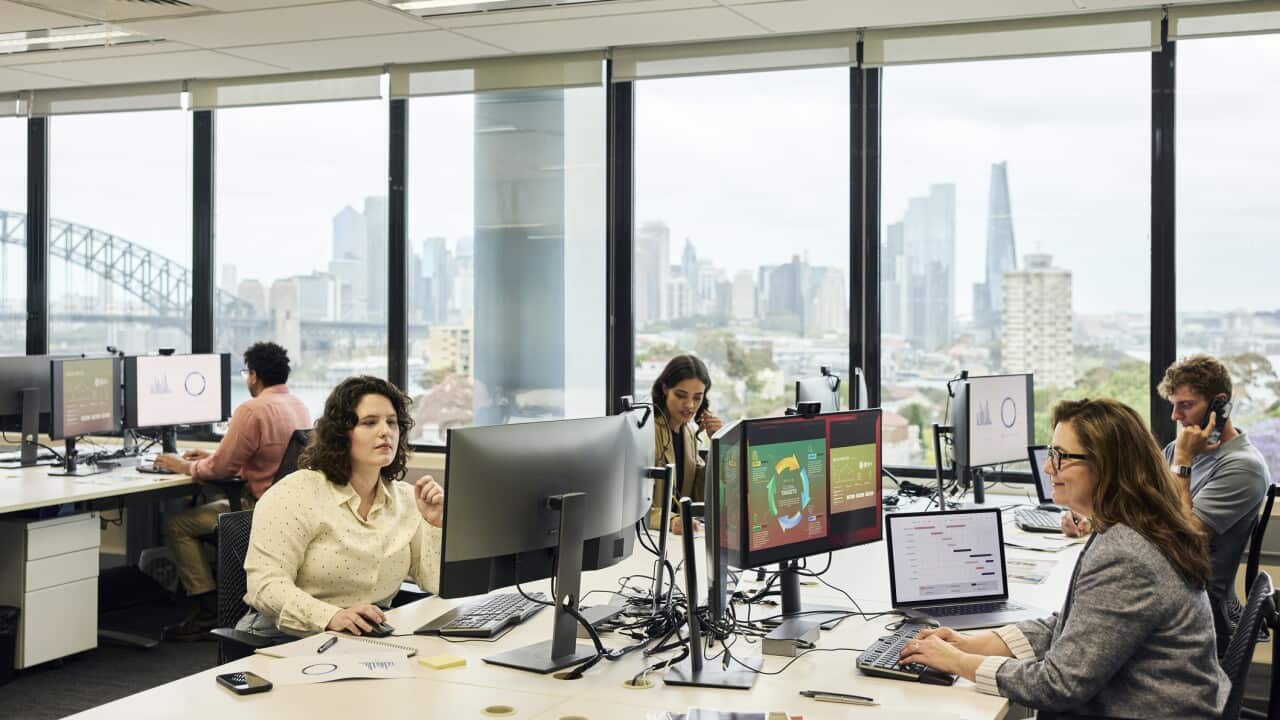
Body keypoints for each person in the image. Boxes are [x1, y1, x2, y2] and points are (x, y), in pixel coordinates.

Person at [900, 398, 1228, 718]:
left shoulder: (1127, 555)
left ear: (1104, 465)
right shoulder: (1131, 524)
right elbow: (1073, 625)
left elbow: (1058, 685)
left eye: (1059, 456)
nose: (1047, 467)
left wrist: (957, 663)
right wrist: (968, 644)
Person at [1062, 355, 1270, 646]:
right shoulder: (1178, 448)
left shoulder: (1242, 467)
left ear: (1219, 404)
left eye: (1185, 405)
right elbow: (1147, 514)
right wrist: (1094, 520)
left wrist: (1184, 461)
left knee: (1079, 623)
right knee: (1074, 605)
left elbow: (1182, 539)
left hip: (1193, 603)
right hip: (1163, 583)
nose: (1175, 416)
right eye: (1173, 405)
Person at [240, 375, 443, 638]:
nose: (386, 431)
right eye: (370, 422)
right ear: (341, 435)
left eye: (392, 422)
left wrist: (435, 524)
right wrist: (330, 616)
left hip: (367, 636)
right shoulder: (296, 494)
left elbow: (434, 582)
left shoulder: (406, 500)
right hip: (287, 635)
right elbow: (264, 586)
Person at [158, 341, 312, 639]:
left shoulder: (252, 410)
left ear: (253, 375)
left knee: (178, 525)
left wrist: (182, 466)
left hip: (253, 509)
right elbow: (269, 459)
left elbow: (220, 470)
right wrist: (209, 457)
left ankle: (205, 609)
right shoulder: (298, 405)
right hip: (285, 510)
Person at [649, 355, 722, 535]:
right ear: (665, 388)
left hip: (679, 537)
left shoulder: (688, 432)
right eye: (681, 395)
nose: (690, 405)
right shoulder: (647, 432)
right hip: (652, 537)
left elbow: (699, 495)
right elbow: (632, 507)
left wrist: (718, 444)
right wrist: (671, 520)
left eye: (697, 398)